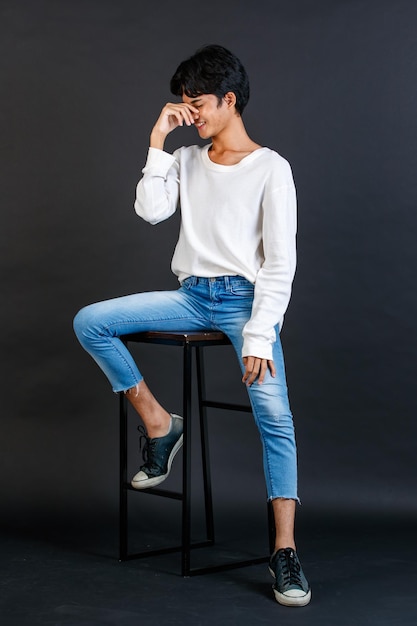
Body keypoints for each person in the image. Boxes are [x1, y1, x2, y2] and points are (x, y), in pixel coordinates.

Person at [73, 44, 311, 607]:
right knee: (91, 322)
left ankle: (284, 551)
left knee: (275, 416)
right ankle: (160, 425)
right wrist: (159, 141)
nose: (191, 113)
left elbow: (280, 263)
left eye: (198, 103)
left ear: (229, 100)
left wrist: (258, 334)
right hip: (191, 297)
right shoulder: (186, 159)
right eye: (184, 103)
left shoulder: (271, 168)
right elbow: (150, 211)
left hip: (245, 304)